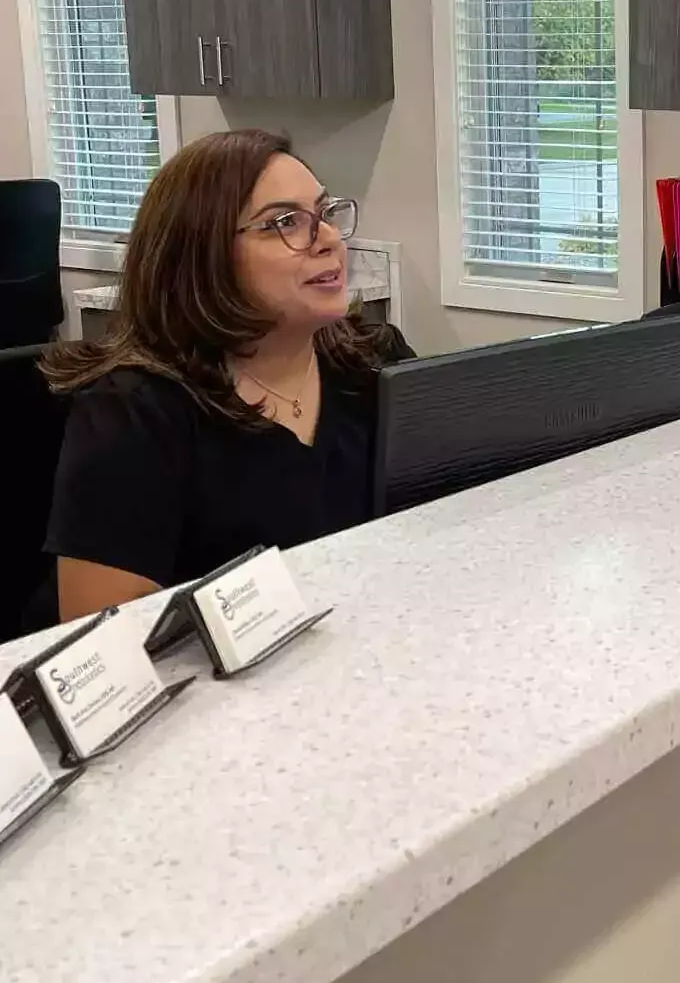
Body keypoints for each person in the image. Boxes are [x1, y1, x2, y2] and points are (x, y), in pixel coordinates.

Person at [46, 130, 412, 623]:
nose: (327, 238)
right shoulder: (133, 412)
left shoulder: (375, 361)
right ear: (204, 254)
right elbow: (104, 637)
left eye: (325, 213)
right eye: (285, 222)